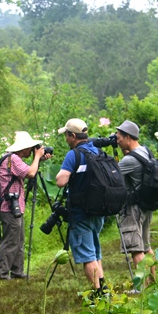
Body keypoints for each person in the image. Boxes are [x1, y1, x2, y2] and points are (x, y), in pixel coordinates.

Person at [55, 118, 107, 293]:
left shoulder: (74, 155)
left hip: (80, 213)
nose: (66, 139)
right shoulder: (97, 151)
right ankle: (103, 287)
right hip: (99, 211)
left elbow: (60, 181)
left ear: (72, 136)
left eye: (66, 136)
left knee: (87, 257)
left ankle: (98, 295)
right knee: (95, 253)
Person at [0, 131, 51, 281]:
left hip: (14, 207)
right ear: (23, 148)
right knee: (11, 241)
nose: (32, 150)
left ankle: (17, 271)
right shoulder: (13, 158)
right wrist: (37, 156)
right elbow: (31, 173)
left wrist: (39, 160)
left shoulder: (13, 159)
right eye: (30, 148)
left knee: (18, 240)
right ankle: (2, 273)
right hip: (9, 207)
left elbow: (28, 170)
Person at [116, 119, 156, 280]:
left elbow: (112, 176)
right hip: (146, 206)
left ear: (127, 137)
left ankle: (142, 287)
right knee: (146, 247)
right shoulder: (145, 151)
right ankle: (154, 282)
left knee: (135, 249)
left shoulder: (129, 160)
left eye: (119, 137)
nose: (116, 141)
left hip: (133, 209)